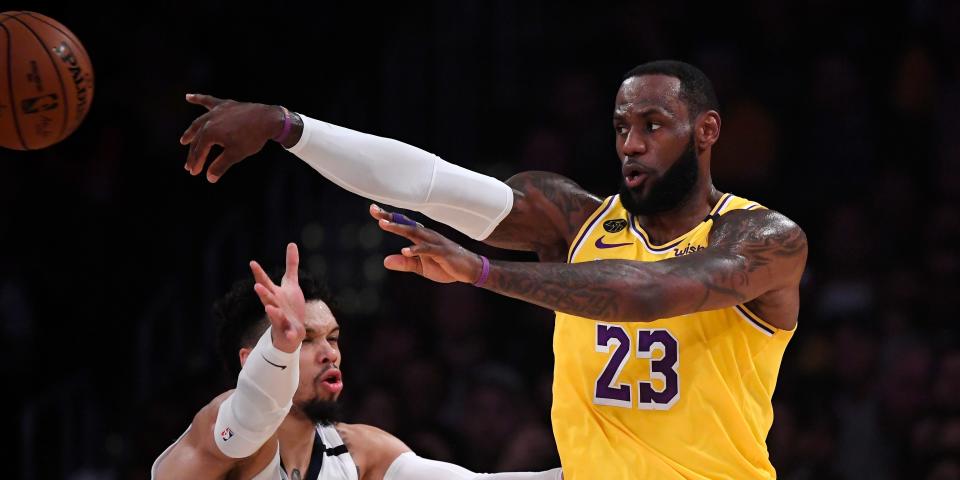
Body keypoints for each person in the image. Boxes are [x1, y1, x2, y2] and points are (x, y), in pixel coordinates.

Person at [180, 60, 808, 479]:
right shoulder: (572, 220)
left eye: (653, 126)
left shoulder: (765, 239)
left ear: (707, 131)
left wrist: (483, 273)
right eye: (621, 128)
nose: (631, 145)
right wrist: (287, 127)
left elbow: (645, 293)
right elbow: (428, 182)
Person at [152, 243, 562, 480]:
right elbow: (249, 417)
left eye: (332, 338)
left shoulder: (361, 451)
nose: (329, 351)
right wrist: (281, 348)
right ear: (251, 358)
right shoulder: (218, 431)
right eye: (305, 339)